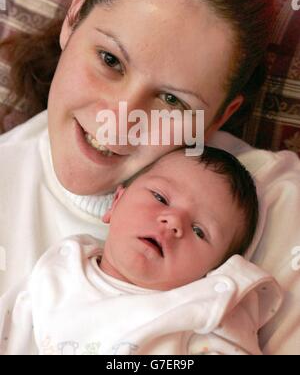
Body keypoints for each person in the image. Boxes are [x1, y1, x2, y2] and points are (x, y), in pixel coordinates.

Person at [0, 0, 299, 354]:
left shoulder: (277, 204)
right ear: (73, 19)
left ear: (219, 116)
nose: (118, 121)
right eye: (109, 60)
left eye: (172, 101)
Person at [0, 147, 283, 355]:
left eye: (200, 231)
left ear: (215, 270)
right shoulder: (62, 268)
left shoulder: (205, 307)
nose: (173, 221)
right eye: (160, 197)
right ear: (116, 202)